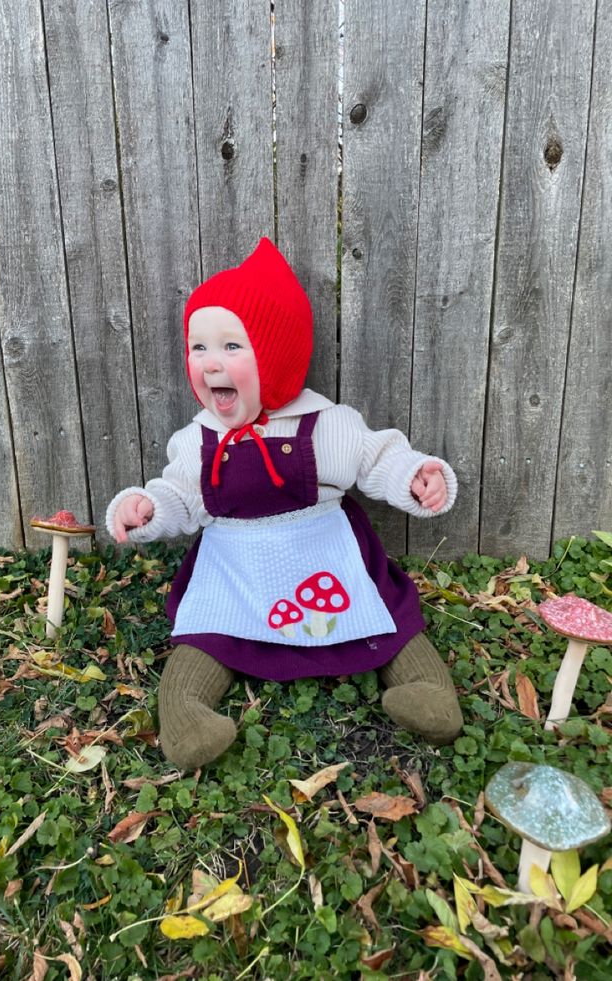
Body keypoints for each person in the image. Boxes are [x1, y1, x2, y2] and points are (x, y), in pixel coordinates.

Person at [106, 238, 463, 769]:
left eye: (231, 347)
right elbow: (182, 494)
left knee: (383, 618)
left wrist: (414, 476)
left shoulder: (328, 424)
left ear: (275, 355)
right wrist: (148, 508)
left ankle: (426, 688)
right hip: (235, 567)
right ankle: (186, 712)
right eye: (198, 347)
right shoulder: (197, 438)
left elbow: (377, 457)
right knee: (206, 633)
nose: (209, 364)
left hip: (321, 554)